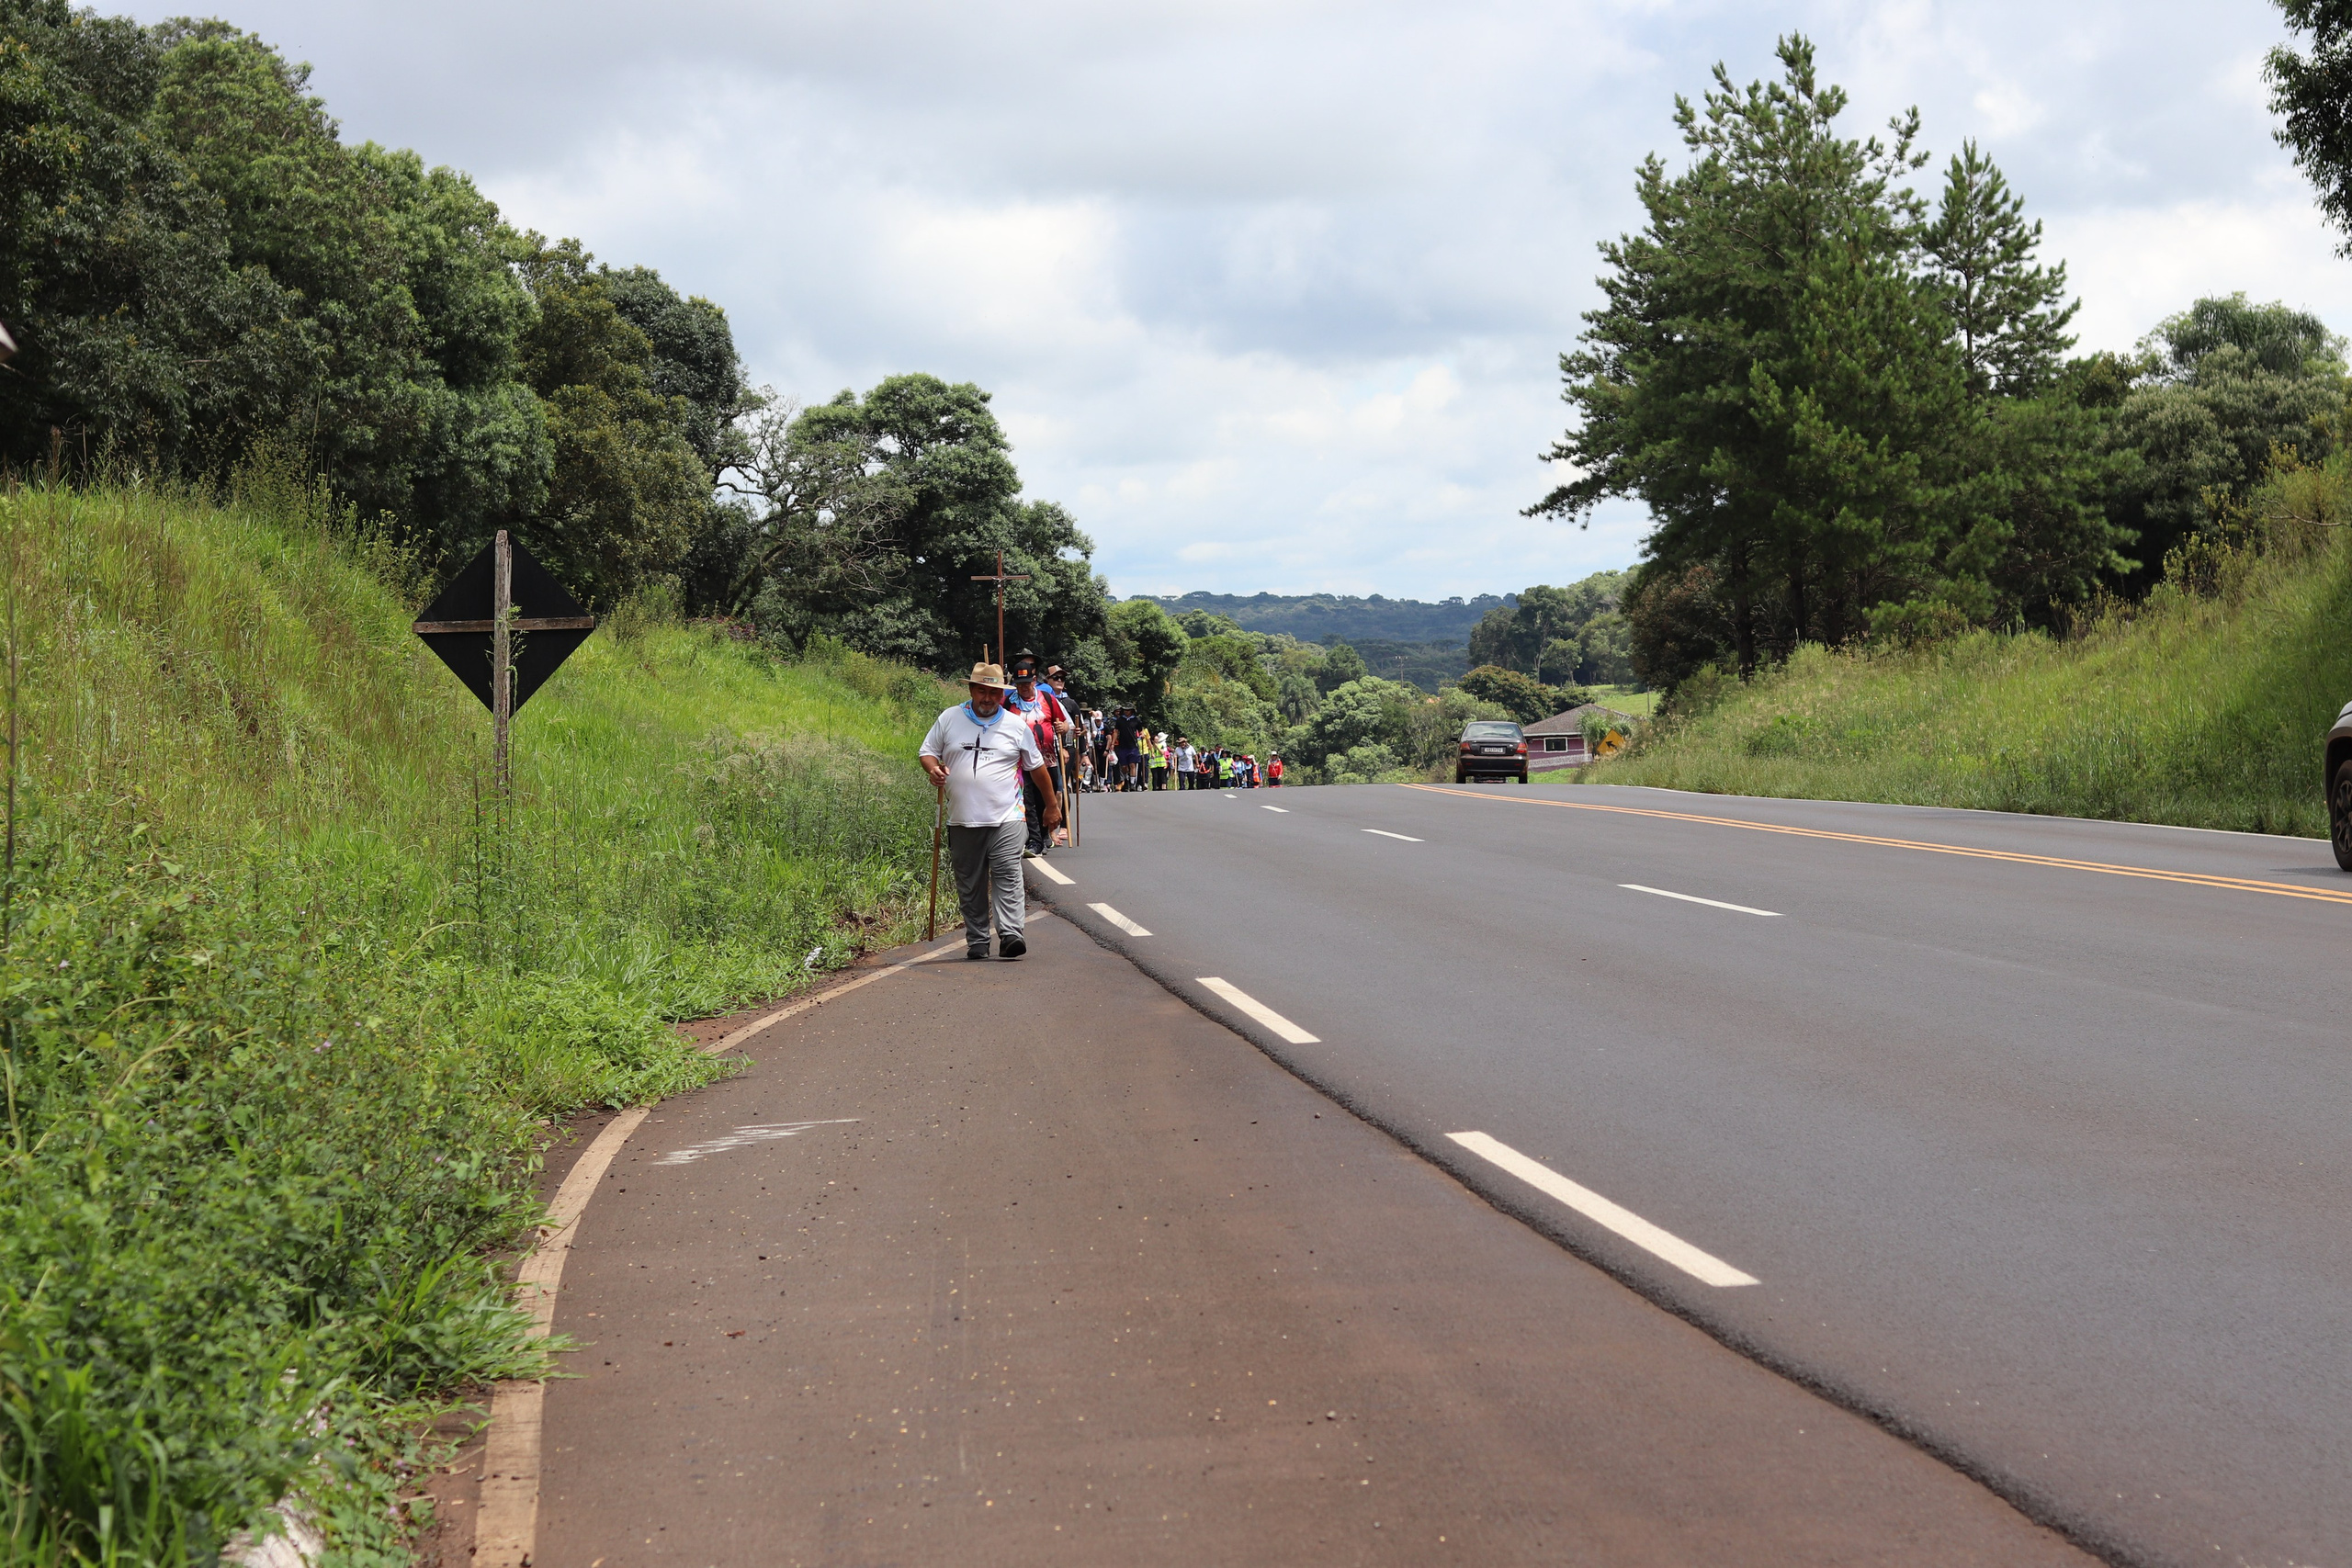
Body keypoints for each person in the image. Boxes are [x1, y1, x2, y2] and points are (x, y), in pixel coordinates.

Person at [919, 662, 1060, 960]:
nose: (987, 698)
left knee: (1008, 871)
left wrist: (1051, 806)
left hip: (1007, 817)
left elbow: (1037, 768)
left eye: (994, 692)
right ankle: (978, 940)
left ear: (1001, 695)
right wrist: (934, 770)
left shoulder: (1015, 725)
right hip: (962, 820)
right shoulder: (949, 719)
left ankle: (1010, 934)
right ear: (971, 690)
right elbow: (927, 751)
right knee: (970, 883)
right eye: (982, 691)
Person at [1006, 650, 1069, 857]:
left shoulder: (1048, 699)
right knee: (1028, 800)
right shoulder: (1007, 704)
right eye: (1019, 683)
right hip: (1021, 761)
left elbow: (1065, 723)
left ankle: (1043, 836)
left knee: (1046, 799)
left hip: (1047, 759)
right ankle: (1034, 841)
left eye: (1027, 682)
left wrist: (1063, 729)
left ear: (1034, 680)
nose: (1024, 687)